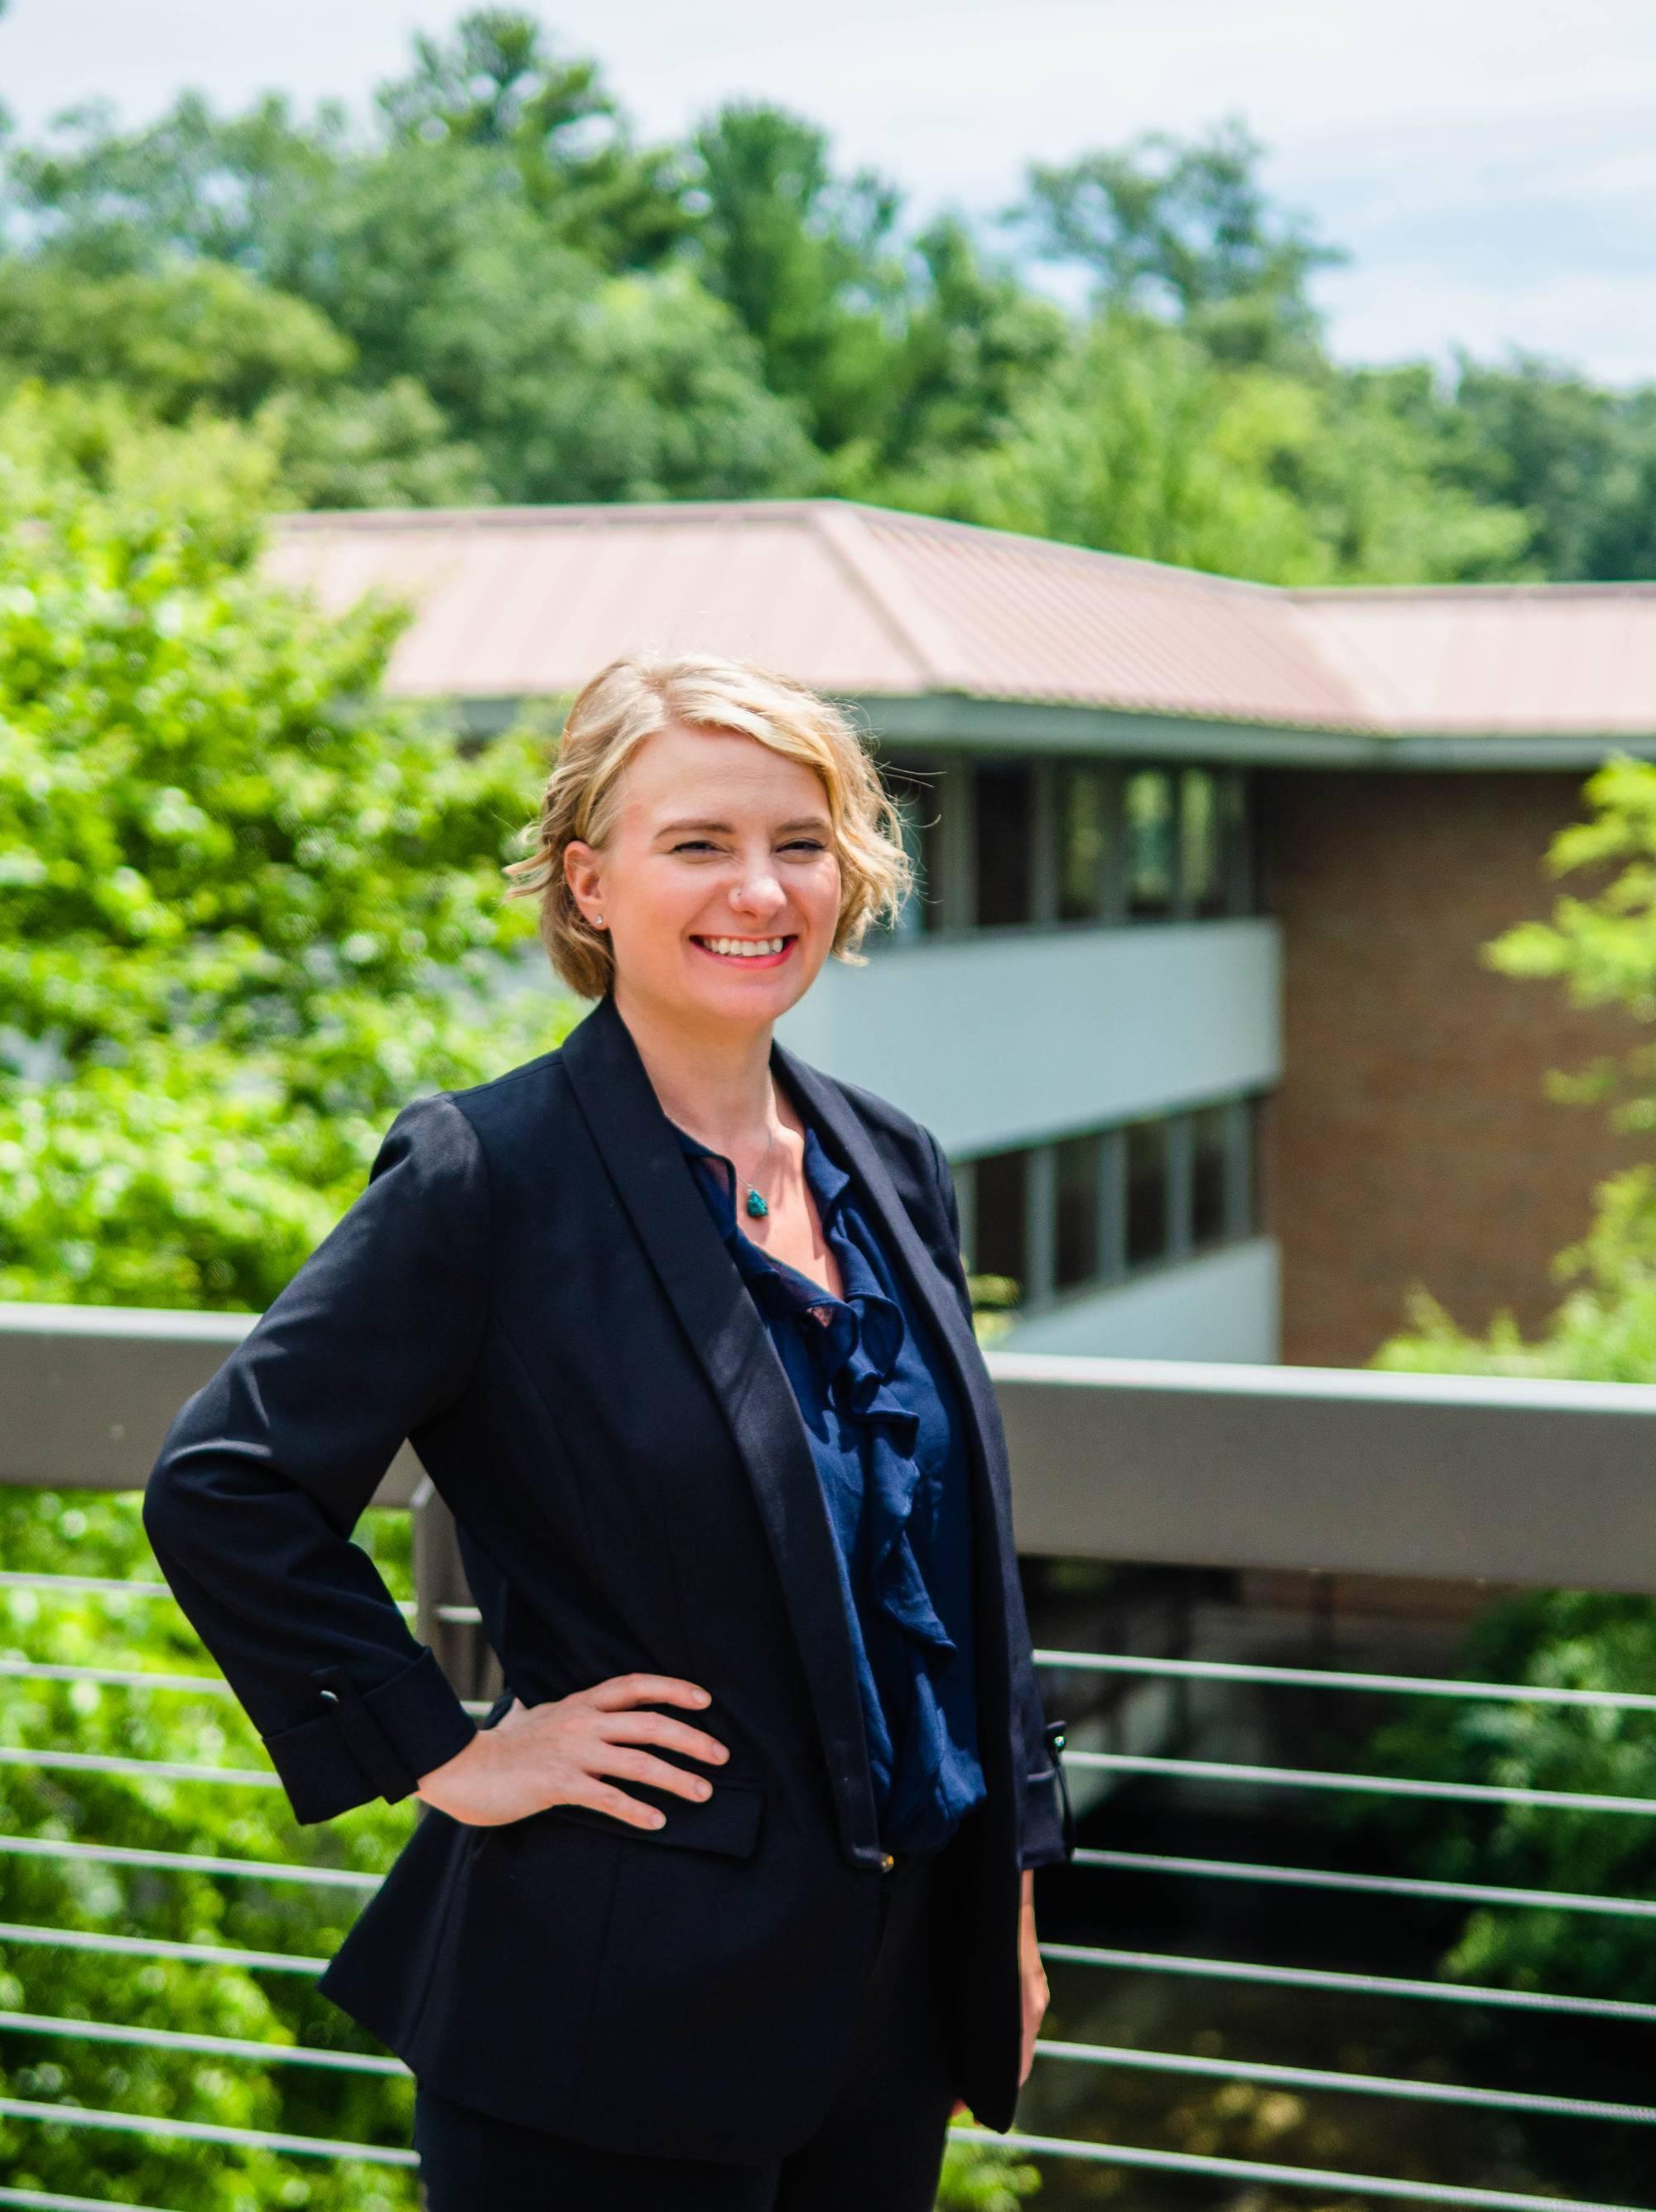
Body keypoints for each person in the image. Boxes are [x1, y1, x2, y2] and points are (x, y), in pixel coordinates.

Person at [142, 653, 1075, 2210]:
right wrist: (444, 1751)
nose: (759, 890)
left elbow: (960, 1566)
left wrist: (1013, 1900)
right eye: (697, 844)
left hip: (899, 1995)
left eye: (801, 841)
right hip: (610, 2007)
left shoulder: (888, 1159)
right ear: (591, 881)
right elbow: (226, 1485)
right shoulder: (483, 1173)